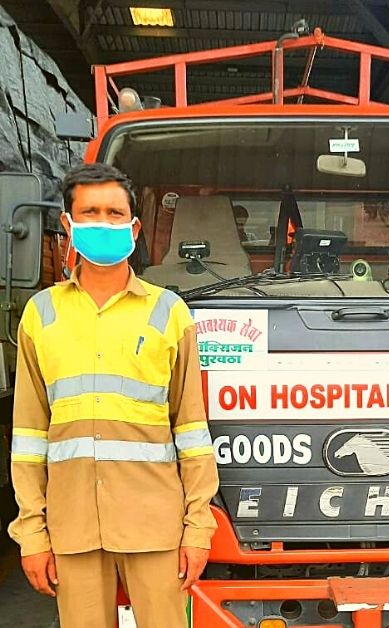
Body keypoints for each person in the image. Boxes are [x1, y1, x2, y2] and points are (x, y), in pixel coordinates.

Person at [8, 163, 219, 628]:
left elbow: (191, 429)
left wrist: (198, 526)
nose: (102, 222)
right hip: (72, 527)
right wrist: (33, 535)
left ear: (133, 226)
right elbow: (27, 435)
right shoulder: (40, 316)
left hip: (155, 526)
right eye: (90, 212)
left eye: (114, 212)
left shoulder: (170, 313)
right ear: (68, 225)